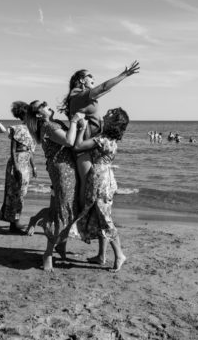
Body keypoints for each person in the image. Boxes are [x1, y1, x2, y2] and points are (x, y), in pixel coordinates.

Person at [61, 61, 139, 212]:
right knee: (85, 183)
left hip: (89, 145)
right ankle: (81, 218)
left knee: (88, 183)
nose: (93, 79)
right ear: (82, 80)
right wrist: (123, 75)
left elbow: (102, 91)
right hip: (82, 147)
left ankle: (86, 215)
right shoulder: (78, 95)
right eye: (90, 76)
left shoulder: (82, 96)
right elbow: (103, 87)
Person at [25, 100, 83, 271]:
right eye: (43, 105)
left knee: (67, 208)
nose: (48, 105)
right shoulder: (48, 126)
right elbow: (68, 141)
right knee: (63, 210)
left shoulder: (55, 123)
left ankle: (61, 245)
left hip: (68, 168)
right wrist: (74, 121)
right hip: (62, 169)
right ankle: (47, 254)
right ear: (38, 114)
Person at [73, 108, 130, 272]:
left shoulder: (103, 139)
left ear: (114, 122)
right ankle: (101, 256)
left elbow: (78, 146)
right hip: (106, 177)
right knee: (101, 215)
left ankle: (119, 254)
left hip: (100, 180)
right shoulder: (111, 139)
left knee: (104, 218)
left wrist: (82, 128)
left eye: (110, 114)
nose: (106, 113)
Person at [0, 102, 37, 233]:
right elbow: (13, 150)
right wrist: (16, 167)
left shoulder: (31, 129)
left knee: (21, 194)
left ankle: (15, 222)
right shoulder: (17, 128)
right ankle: (14, 223)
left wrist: (33, 166)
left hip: (25, 163)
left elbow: (30, 150)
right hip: (18, 163)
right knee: (15, 194)